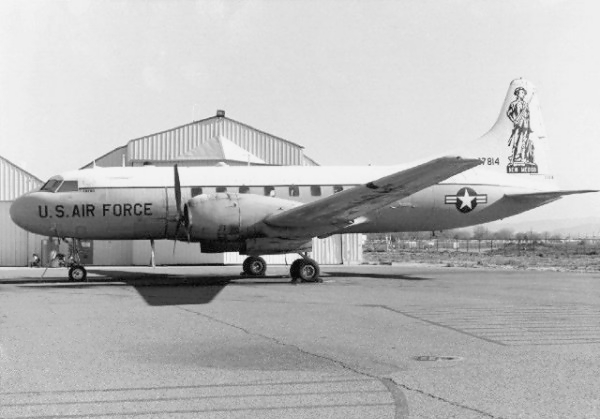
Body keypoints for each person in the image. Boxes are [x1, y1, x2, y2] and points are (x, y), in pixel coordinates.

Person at [506, 87, 532, 164]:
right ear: (517, 93)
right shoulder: (513, 104)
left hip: (525, 126)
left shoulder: (525, 104)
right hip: (518, 125)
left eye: (524, 93)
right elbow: (508, 113)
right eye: (522, 93)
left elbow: (528, 115)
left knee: (524, 142)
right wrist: (513, 120)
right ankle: (513, 158)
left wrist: (528, 125)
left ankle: (523, 158)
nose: (524, 95)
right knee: (516, 141)